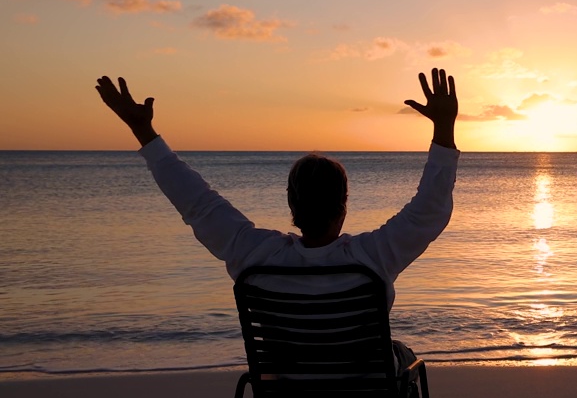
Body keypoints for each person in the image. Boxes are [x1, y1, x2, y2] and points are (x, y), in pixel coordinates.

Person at [95, 69, 460, 372]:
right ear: (344, 204)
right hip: (364, 382)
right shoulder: (373, 256)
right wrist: (443, 127)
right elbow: (429, 210)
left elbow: (196, 202)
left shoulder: (255, 256)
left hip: (287, 386)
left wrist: (143, 131)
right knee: (402, 353)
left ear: (291, 204)